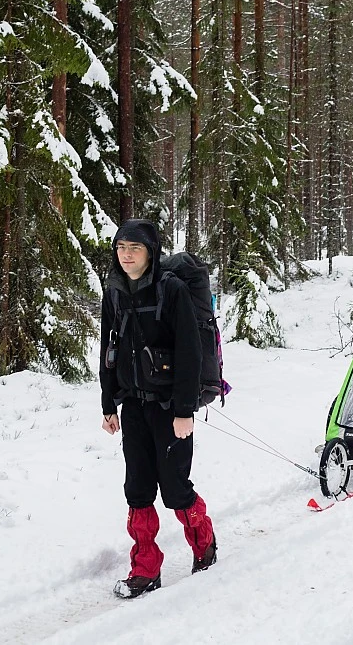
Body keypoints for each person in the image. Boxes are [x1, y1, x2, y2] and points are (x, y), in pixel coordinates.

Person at [100, 219, 218, 599]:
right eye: (121, 247)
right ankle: (145, 569)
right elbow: (107, 349)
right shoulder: (114, 292)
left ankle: (204, 544)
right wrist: (108, 403)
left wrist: (184, 410)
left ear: (150, 252)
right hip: (133, 406)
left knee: (175, 489)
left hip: (169, 408)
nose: (126, 255)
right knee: (137, 489)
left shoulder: (171, 289)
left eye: (134, 248)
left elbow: (189, 351)